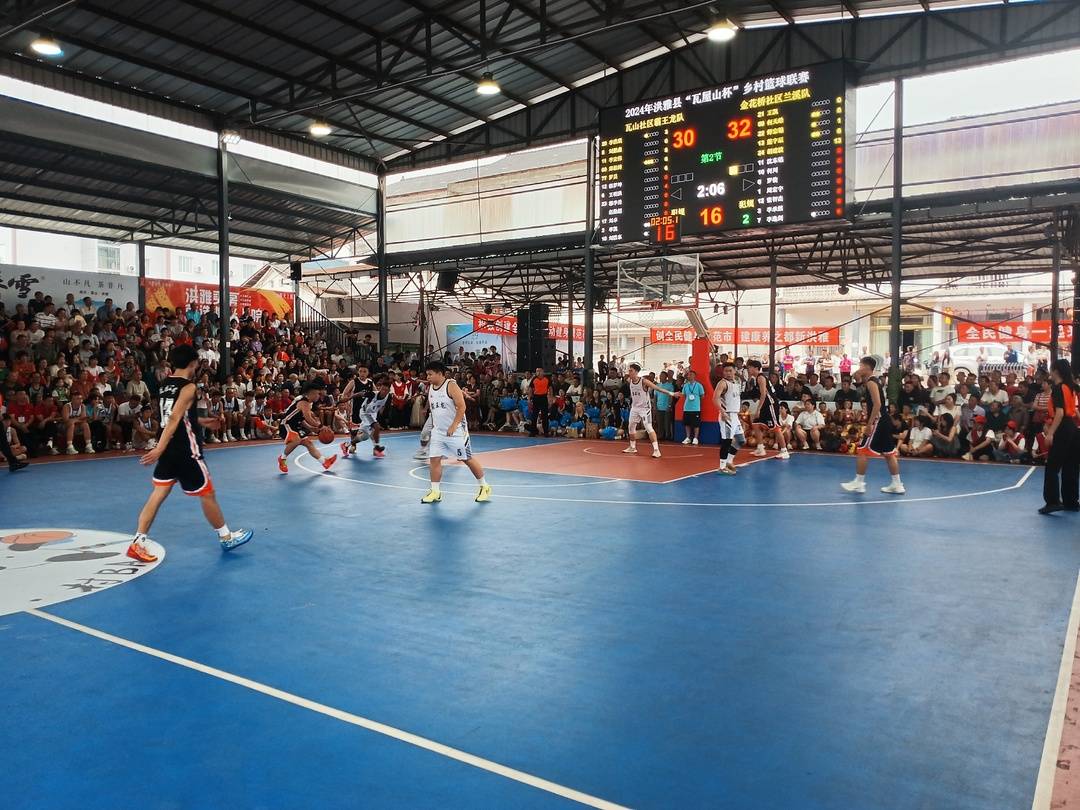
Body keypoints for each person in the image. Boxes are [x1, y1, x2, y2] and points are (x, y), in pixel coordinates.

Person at [126, 345, 252, 563]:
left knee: (158, 494)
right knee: (207, 493)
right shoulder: (189, 387)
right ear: (193, 363)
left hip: (169, 447)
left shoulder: (165, 384)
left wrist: (202, 421)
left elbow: (176, 414)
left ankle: (138, 541)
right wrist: (158, 448)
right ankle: (226, 537)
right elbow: (175, 417)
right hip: (186, 450)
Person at [421, 361, 491, 504]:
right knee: (434, 459)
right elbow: (434, 410)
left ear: (439, 373)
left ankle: (484, 486)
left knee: (467, 459)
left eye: (430, 374)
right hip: (438, 432)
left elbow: (462, 407)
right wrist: (434, 426)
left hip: (457, 431)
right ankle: (435, 491)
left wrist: (454, 425)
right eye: (427, 374)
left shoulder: (451, 385)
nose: (427, 377)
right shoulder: (431, 388)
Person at [842, 356, 905, 494]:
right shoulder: (872, 381)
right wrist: (858, 376)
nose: (859, 368)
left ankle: (859, 483)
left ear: (866, 367)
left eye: (860, 366)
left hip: (878, 421)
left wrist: (870, 424)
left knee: (862, 450)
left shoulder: (871, 382)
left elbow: (877, 404)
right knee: (889, 453)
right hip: (884, 421)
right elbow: (858, 379)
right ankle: (897, 484)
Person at [1040, 358, 1079, 515]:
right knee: (1071, 466)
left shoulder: (1057, 388)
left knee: (1052, 467)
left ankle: (1053, 501)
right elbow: (1072, 411)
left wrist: (1050, 433)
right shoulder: (1070, 387)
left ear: (1055, 370)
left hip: (1062, 428)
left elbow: (1060, 413)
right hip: (1073, 428)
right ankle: (1071, 501)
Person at [276, 380, 338, 474]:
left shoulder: (309, 402)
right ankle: (282, 459)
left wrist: (310, 428)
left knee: (308, 443)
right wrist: (321, 426)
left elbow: (301, 419)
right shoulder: (304, 402)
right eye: (317, 394)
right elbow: (308, 417)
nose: (319, 396)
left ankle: (325, 462)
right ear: (311, 394)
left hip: (295, 425)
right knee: (296, 440)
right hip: (286, 424)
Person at [622, 363, 681, 458]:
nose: (629, 372)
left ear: (636, 372)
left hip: (645, 408)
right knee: (631, 427)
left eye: (631, 370)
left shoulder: (644, 381)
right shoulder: (629, 380)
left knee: (648, 427)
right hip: (635, 408)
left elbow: (658, 388)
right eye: (629, 370)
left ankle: (656, 450)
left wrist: (672, 394)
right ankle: (632, 447)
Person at [747, 360, 790, 460]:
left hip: (770, 405)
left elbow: (763, 394)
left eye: (750, 367)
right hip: (765, 405)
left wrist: (758, 409)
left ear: (756, 368)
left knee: (776, 428)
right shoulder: (756, 378)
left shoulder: (761, 377)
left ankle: (784, 450)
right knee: (755, 424)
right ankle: (760, 448)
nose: (748, 369)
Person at [342, 374, 390, 459]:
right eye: (382, 389)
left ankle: (346, 445)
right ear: (379, 388)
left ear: (388, 391)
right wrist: (349, 398)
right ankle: (376, 448)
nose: (383, 391)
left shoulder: (388, 397)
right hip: (365, 413)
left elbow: (382, 406)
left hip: (373, 414)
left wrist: (380, 414)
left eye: (386, 390)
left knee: (365, 436)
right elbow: (359, 394)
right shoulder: (372, 394)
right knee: (376, 427)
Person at [713, 362, 743, 475]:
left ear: (735, 371)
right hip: (727, 415)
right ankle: (722, 467)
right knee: (727, 441)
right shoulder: (722, 383)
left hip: (735, 415)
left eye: (730, 371)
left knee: (740, 440)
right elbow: (715, 398)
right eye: (726, 371)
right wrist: (722, 411)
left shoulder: (737, 382)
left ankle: (729, 461)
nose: (728, 373)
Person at [680, 370, 705, 445]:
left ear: (694, 376)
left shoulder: (699, 385)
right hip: (687, 408)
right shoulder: (685, 385)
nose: (689, 376)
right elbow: (684, 395)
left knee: (696, 424)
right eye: (688, 375)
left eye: (691, 374)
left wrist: (697, 402)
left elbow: (702, 396)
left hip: (696, 408)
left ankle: (695, 438)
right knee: (687, 424)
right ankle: (688, 438)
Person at [528, 368, 552, 438]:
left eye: (539, 371)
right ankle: (533, 432)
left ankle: (546, 432)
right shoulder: (534, 379)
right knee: (534, 415)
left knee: (545, 416)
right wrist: (529, 398)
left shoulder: (547, 379)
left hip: (544, 397)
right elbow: (530, 389)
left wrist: (550, 398)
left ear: (543, 372)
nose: (538, 372)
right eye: (537, 371)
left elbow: (550, 389)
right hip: (536, 397)